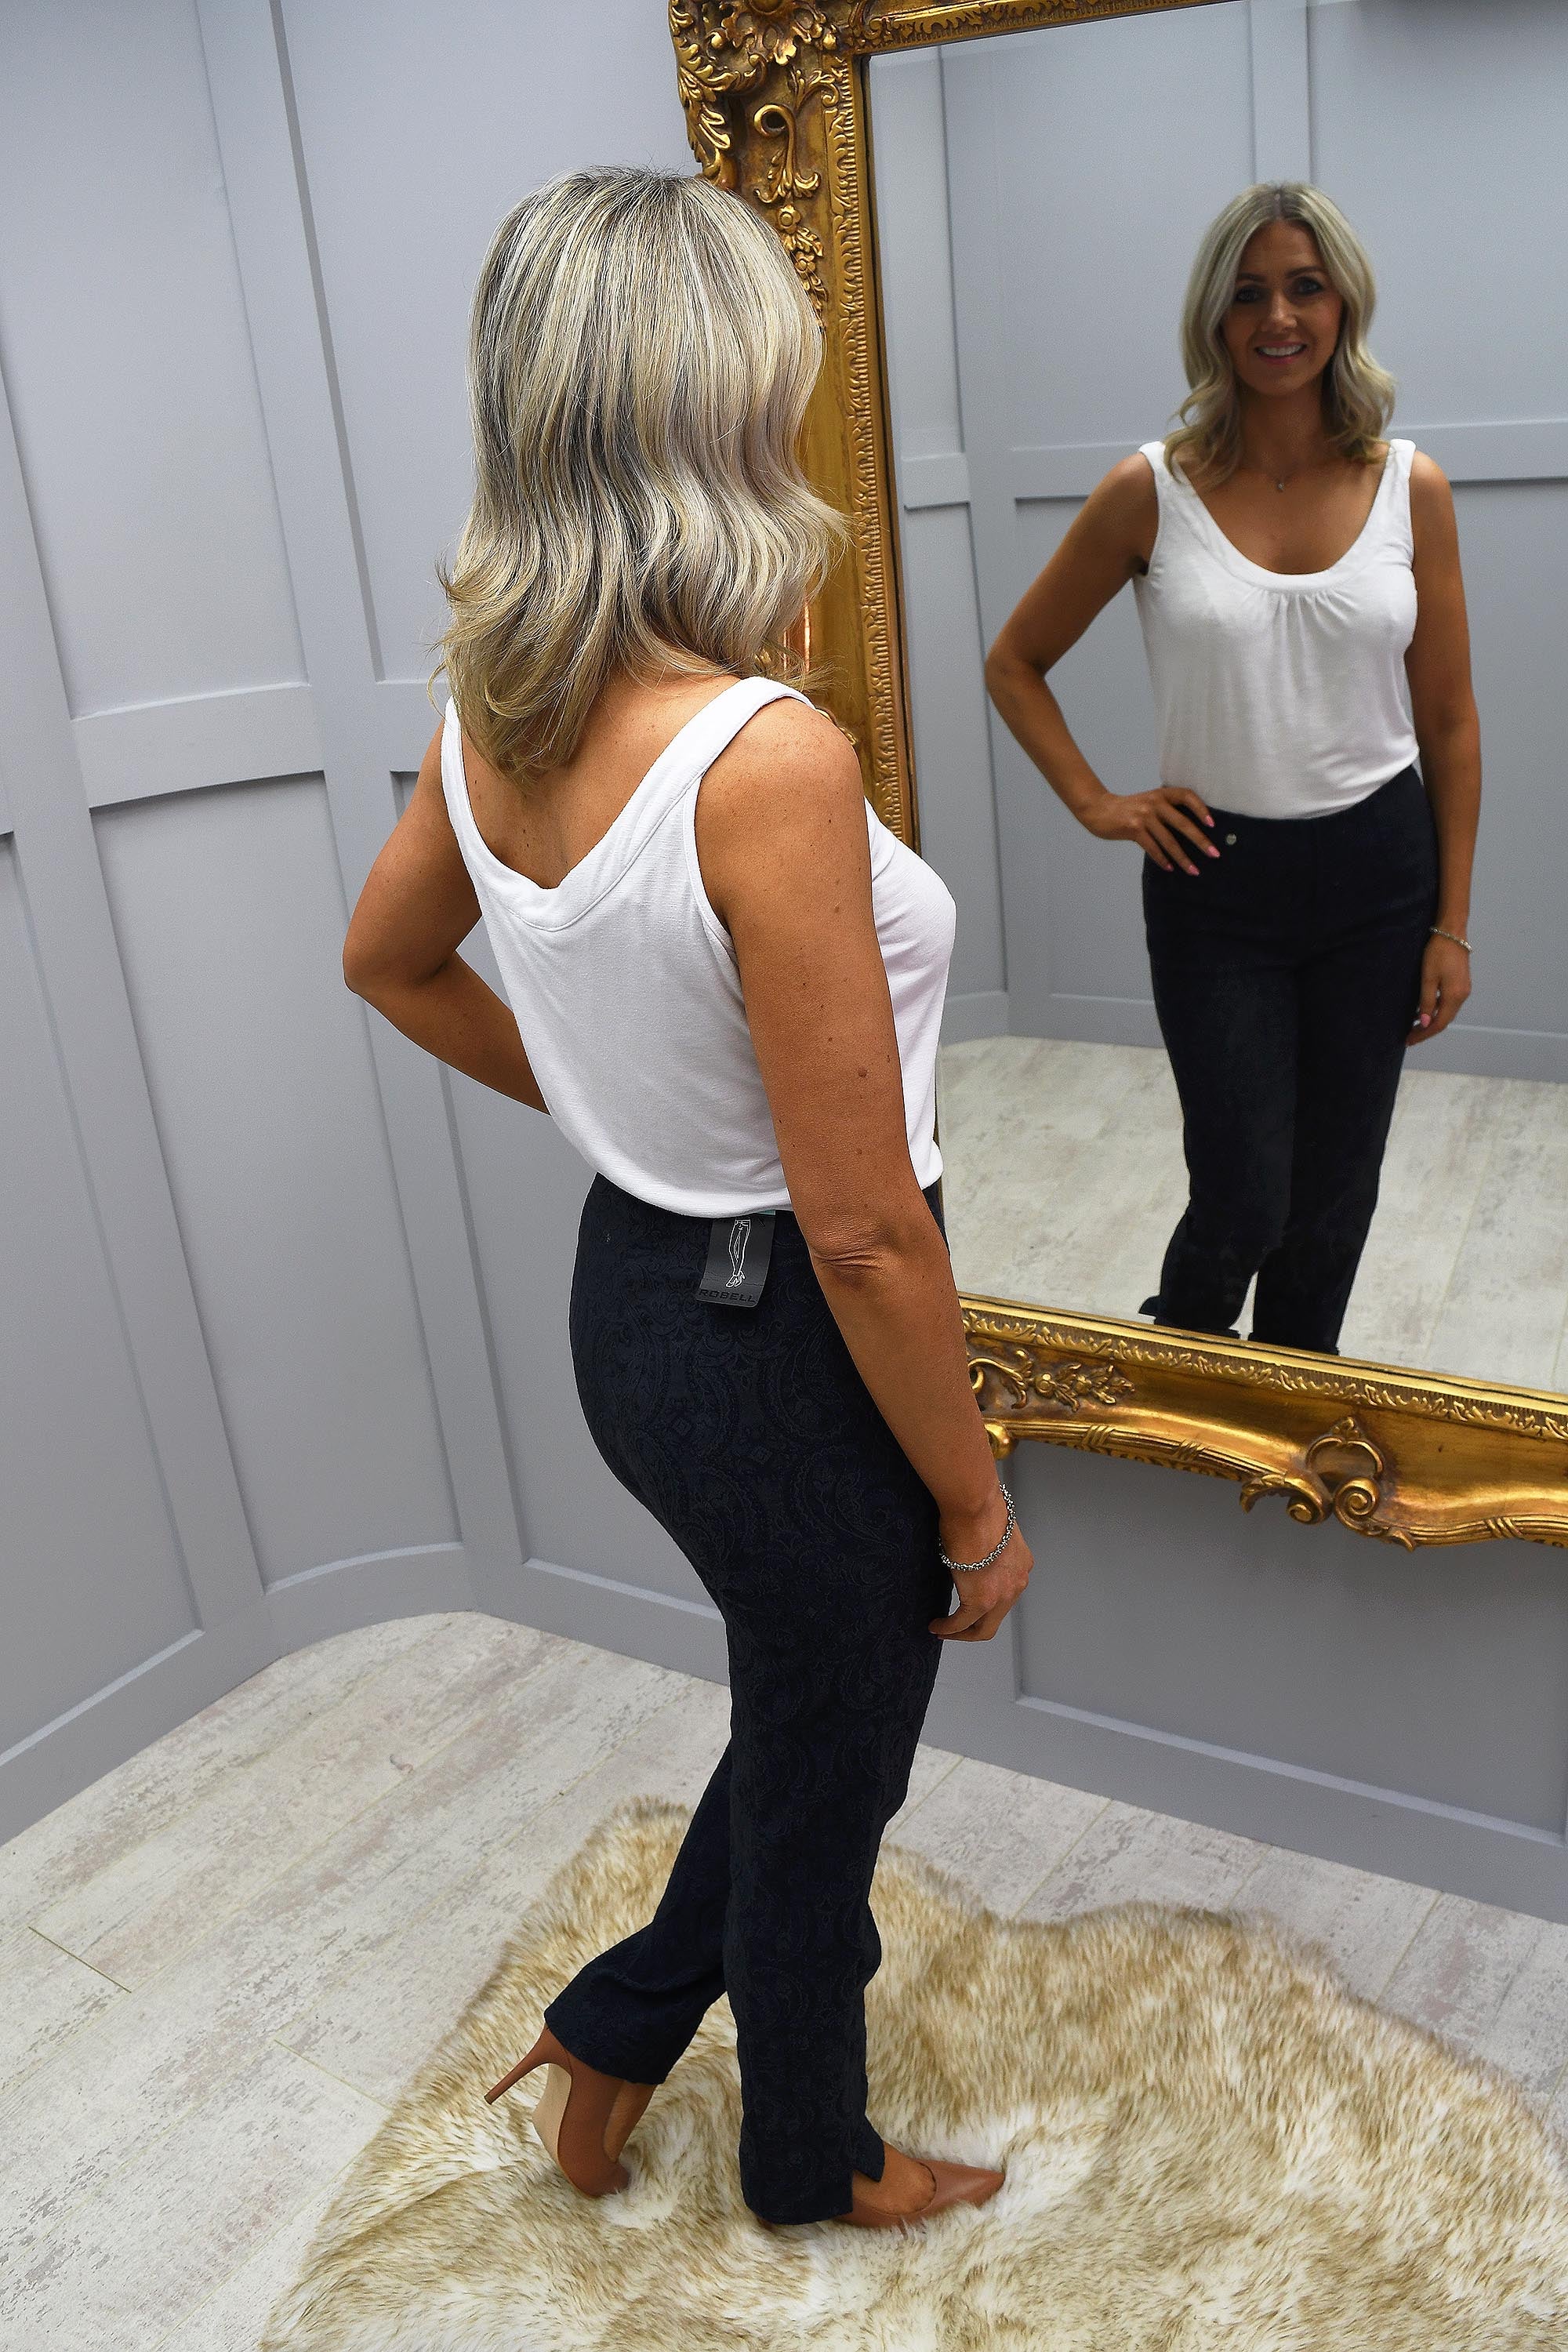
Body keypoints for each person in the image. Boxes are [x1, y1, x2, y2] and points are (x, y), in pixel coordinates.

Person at [341, 167, 1031, 2231]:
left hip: (637, 1314)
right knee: (838, 1756)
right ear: (714, 408)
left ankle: (617, 2028)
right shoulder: (764, 757)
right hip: (789, 1340)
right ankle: (808, 2157)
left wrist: (617, 1104)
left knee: (811, 1710)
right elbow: (867, 1232)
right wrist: (977, 1500)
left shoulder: (498, 710)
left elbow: (389, 962)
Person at [985, 182, 1481, 1355]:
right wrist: (1097, 803)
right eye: (1250, 293)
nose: (1280, 318)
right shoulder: (1149, 491)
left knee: (1334, 1200)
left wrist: (1450, 926)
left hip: (1379, 874)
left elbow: (1450, 721)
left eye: (1306, 288)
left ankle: (1293, 1402)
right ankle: (1181, 1384)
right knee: (1245, 1194)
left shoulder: (1410, 486)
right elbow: (1016, 662)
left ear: (1344, 304)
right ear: (1214, 315)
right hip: (1218, 883)